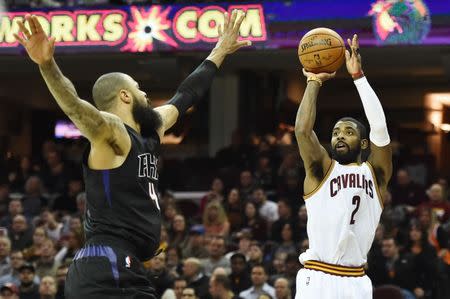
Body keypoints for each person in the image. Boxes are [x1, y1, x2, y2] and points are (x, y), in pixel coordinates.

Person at [15, 10, 250, 299]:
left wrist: (220, 49)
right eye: (140, 90)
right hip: (107, 263)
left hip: (119, 263)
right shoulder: (113, 133)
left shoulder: (150, 132)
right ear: (125, 96)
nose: (147, 97)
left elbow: (186, 94)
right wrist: (48, 65)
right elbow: (75, 107)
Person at [294, 34, 392, 298]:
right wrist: (313, 80)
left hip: (356, 280)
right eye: (336, 132)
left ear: (362, 143)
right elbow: (302, 131)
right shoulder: (321, 171)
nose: (338, 136)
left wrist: (358, 76)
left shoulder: (375, 174)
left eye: (348, 132)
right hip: (317, 277)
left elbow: (380, 129)